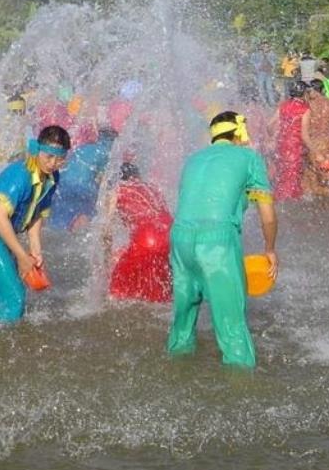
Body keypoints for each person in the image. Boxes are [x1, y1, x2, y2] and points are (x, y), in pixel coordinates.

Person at [166, 111, 277, 369]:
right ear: (239, 133)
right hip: (217, 241)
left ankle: (175, 369)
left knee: (182, 323)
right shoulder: (249, 158)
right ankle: (240, 390)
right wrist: (270, 249)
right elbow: (268, 216)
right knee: (231, 326)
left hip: (180, 239)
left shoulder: (193, 159)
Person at [0, 125, 71, 323]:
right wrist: (22, 256)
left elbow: (37, 215)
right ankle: (2, 346)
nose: (53, 163)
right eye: (48, 156)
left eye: (60, 159)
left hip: (0, 236)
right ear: (37, 150)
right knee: (15, 297)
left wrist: (35, 251)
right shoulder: (21, 175)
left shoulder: (53, 177)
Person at [104, 162, 173, 302]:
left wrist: (105, 261)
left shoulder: (117, 190)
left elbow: (106, 232)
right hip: (171, 234)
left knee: (115, 293)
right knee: (160, 294)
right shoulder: (153, 188)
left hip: (147, 237)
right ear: (138, 176)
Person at [49, 127, 117, 230]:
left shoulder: (84, 148)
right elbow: (105, 183)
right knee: (89, 216)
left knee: (58, 214)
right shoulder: (108, 154)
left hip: (63, 184)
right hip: (84, 189)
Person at [268, 80, 309, 201]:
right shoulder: (305, 109)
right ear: (303, 93)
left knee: (282, 174)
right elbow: (305, 135)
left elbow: (269, 125)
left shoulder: (283, 105)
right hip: (295, 147)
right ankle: (290, 205)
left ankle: (279, 201)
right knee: (293, 177)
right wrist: (315, 150)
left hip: (282, 145)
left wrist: (274, 137)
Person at [301, 79, 329, 197]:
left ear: (312, 91)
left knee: (310, 176)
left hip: (314, 144)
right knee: (328, 179)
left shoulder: (309, 105)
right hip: (328, 144)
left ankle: (308, 208)